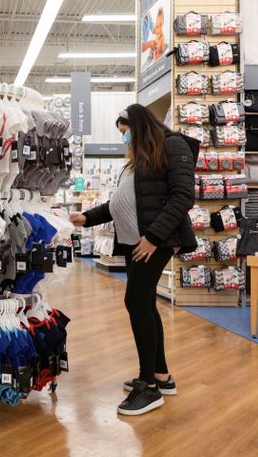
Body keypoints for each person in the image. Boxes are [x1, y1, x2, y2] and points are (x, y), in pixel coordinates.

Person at [70, 104, 198, 416]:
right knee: (144, 304)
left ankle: (149, 387)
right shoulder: (139, 159)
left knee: (137, 303)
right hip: (132, 242)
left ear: (138, 126)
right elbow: (118, 204)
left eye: (125, 133)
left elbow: (184, 196)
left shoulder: (173, 145)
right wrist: (86, 217)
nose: (124, 140)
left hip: (152, 242)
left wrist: (154, 237)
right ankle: (161, 376)